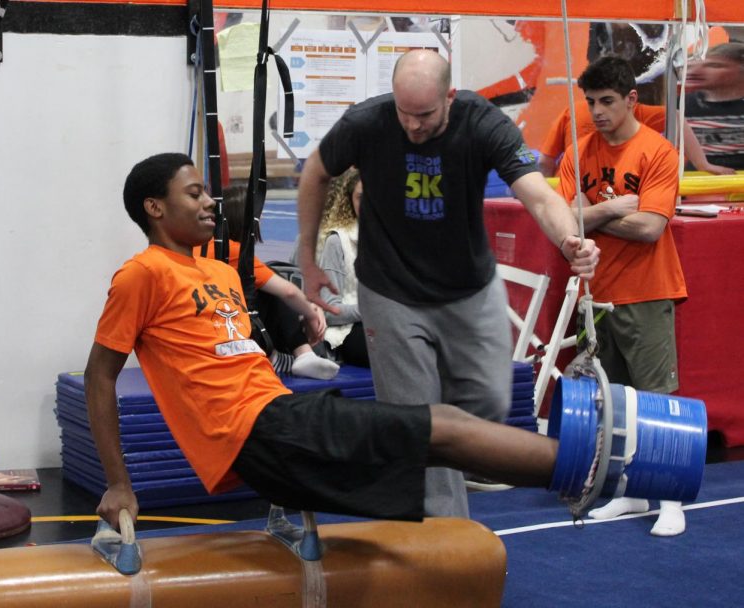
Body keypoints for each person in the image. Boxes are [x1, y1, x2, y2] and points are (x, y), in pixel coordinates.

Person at [85, 152, 561, 528]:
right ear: (155, 208)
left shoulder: (218, 266)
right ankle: (603, 464)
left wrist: (308, 311)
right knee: (446, 427)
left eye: (207, 192)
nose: (209, 201)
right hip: (256, 430)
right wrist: (118, 483)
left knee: (441, 441)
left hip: (280, 416)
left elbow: (279, 293)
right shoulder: (142, 274)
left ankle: (583, 471)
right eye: (194, 194)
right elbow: (99, 377)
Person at [295, 49, 600, 518]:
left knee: (487, 403)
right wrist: (309, 259)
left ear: (451, 97)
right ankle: (443, 530)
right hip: (390, 288)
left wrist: (569, 240)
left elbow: (537, 193)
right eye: (404, 114)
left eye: (425, 115)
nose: (413, 127)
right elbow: (315, 173)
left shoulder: (483, 122)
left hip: (466, 289)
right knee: (421, 418)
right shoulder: (366, 122)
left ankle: (448, 469)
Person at [556, 56, 689, 536]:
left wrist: (592, 212)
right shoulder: (578, 150)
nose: (596, 112)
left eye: (607, 101)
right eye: (590, 102)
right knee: (613, 401)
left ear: (631, 99)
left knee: (656, 398)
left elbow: (652, 228)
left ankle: (670, 499)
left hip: (648, 290)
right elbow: (564, 219)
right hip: (596, 293)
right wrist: (613, 207)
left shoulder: (657, 151)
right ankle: (631, 493)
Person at [199, 185, 339, 380]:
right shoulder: (233, 252)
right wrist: (311, 311)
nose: (262, 220)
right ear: (245, 219)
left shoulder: (203, 246)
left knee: (268, 282)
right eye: (258, 215)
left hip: (218, 324)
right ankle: (302, 353)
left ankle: (280, 356)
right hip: (225, 327)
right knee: (273, 287)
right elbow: (288, 292)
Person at [539, 101, 731, 177]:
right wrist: (702, 164)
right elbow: (545, 162)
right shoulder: (629, 109)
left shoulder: (574, 110)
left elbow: (545, 162)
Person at [315, 168, 369, 367]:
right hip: (350, 330)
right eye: (362, 197)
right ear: (350, 201)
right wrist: (373, 309)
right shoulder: (337, 241)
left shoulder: (395, 240)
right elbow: (329, 310)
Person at [684, 42, 744, 172]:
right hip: (701, 181)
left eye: (714, 66)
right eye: (689, 67)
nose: (694, 72)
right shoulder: (682, 105)